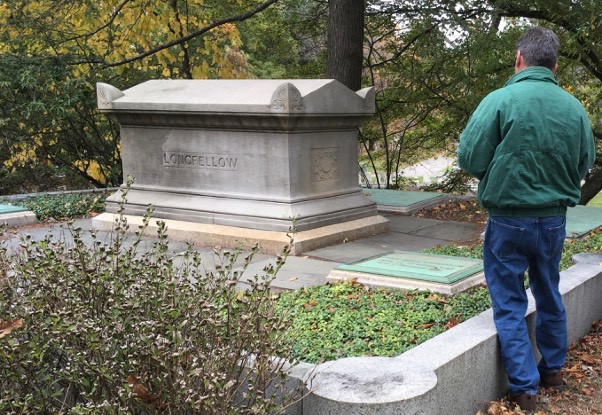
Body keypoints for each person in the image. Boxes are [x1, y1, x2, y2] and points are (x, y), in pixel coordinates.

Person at [457, 27, 595, 413]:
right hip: (553, 220)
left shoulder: (500, 100)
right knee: (549, 291)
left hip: (508, 219)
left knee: (509, 301)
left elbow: (470, 159)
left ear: (520, 58)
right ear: (554, 63)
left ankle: (525, 389)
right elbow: (584, 162)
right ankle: (553, 371)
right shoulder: (574, 108)